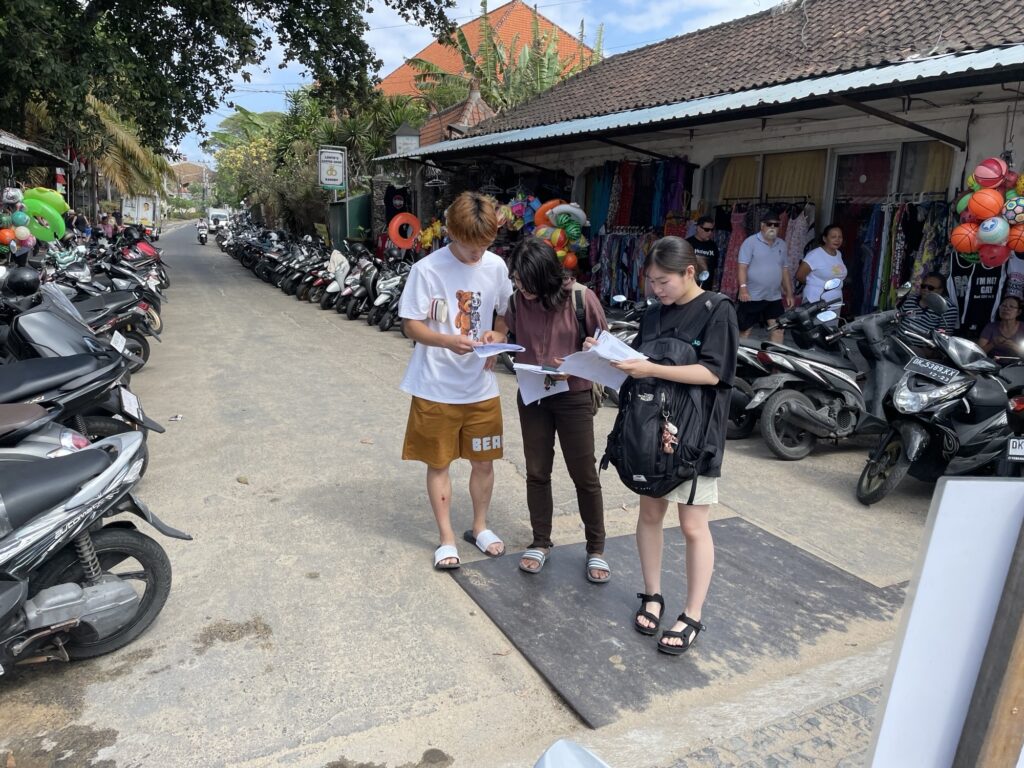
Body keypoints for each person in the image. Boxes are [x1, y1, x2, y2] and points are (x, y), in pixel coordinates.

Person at [606, 237, 738, 655]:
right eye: (651, 281)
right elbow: (640, 368)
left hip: (696, 435)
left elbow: (714, 374)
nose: (656, 289)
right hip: (650, 432)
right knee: (649, 513)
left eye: (663, 281)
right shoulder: (652, 313)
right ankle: (652, 594)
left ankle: (692, 614)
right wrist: (609, 356)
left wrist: (650, 367)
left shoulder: (717, 309)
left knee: (693, 526)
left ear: (689, 272)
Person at [398, 191, 513, 570]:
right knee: (439, 463)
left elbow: (504, 314)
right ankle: (446, 538)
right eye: (470, 245)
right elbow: (411, 324)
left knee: (484, 462)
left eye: (485, 244)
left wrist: (498, 334)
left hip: (481, 389)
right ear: (451, 232)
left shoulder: (496, 266)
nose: (478, 253)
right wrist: (447, 341)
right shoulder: (427, 270)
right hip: (435, 387)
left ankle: (480, 527)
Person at [504, 237, 610, 582]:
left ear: (546, 276)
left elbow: (606, 350)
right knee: (537, 470)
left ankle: (596, 548)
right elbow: (512, 337)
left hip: (573, 396)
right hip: (533, 394)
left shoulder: (580, 298)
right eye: (516, 280)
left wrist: (580, 362)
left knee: (584, 473)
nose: (521, 288)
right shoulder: (517, 302)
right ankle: (540, 541)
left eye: (526, 282)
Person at [737, 212, 794, 343]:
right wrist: (743, 288)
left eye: (776, 225)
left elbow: (784, 270)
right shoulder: (750, 242)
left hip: (774, 296)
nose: (772, 227)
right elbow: (742, 267)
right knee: (745, 330)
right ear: (762, 225)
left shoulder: (782, 244)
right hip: (752, 296)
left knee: (778, 329)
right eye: (769, 224)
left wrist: (789, 293)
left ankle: (773, 356)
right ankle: (737, 354)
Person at [898, 272, 959, 341]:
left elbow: (944, 337)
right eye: (923, 286)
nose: (926, 289)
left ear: (941, 290)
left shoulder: (948, 308)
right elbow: (898, 318)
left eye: (931, 288)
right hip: (899, 342)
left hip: (921, 347)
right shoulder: (911, 300)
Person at [797, 223, 847, 305]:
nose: (837, 240)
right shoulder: (815, 255)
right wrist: (815, 284)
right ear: (825, 239)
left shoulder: (838, 254)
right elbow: (800, 276)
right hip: (816, 301)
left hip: (835, 302)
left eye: (840, 237)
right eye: (833, 237)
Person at [686, 216, 719, 289]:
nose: (710, 232)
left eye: (712, 230)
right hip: (689, 285)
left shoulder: (713, 246)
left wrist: (714, 284)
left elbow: (715, 268)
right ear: (698, 228)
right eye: (707, 229)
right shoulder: (688, 243)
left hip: (707, 287)